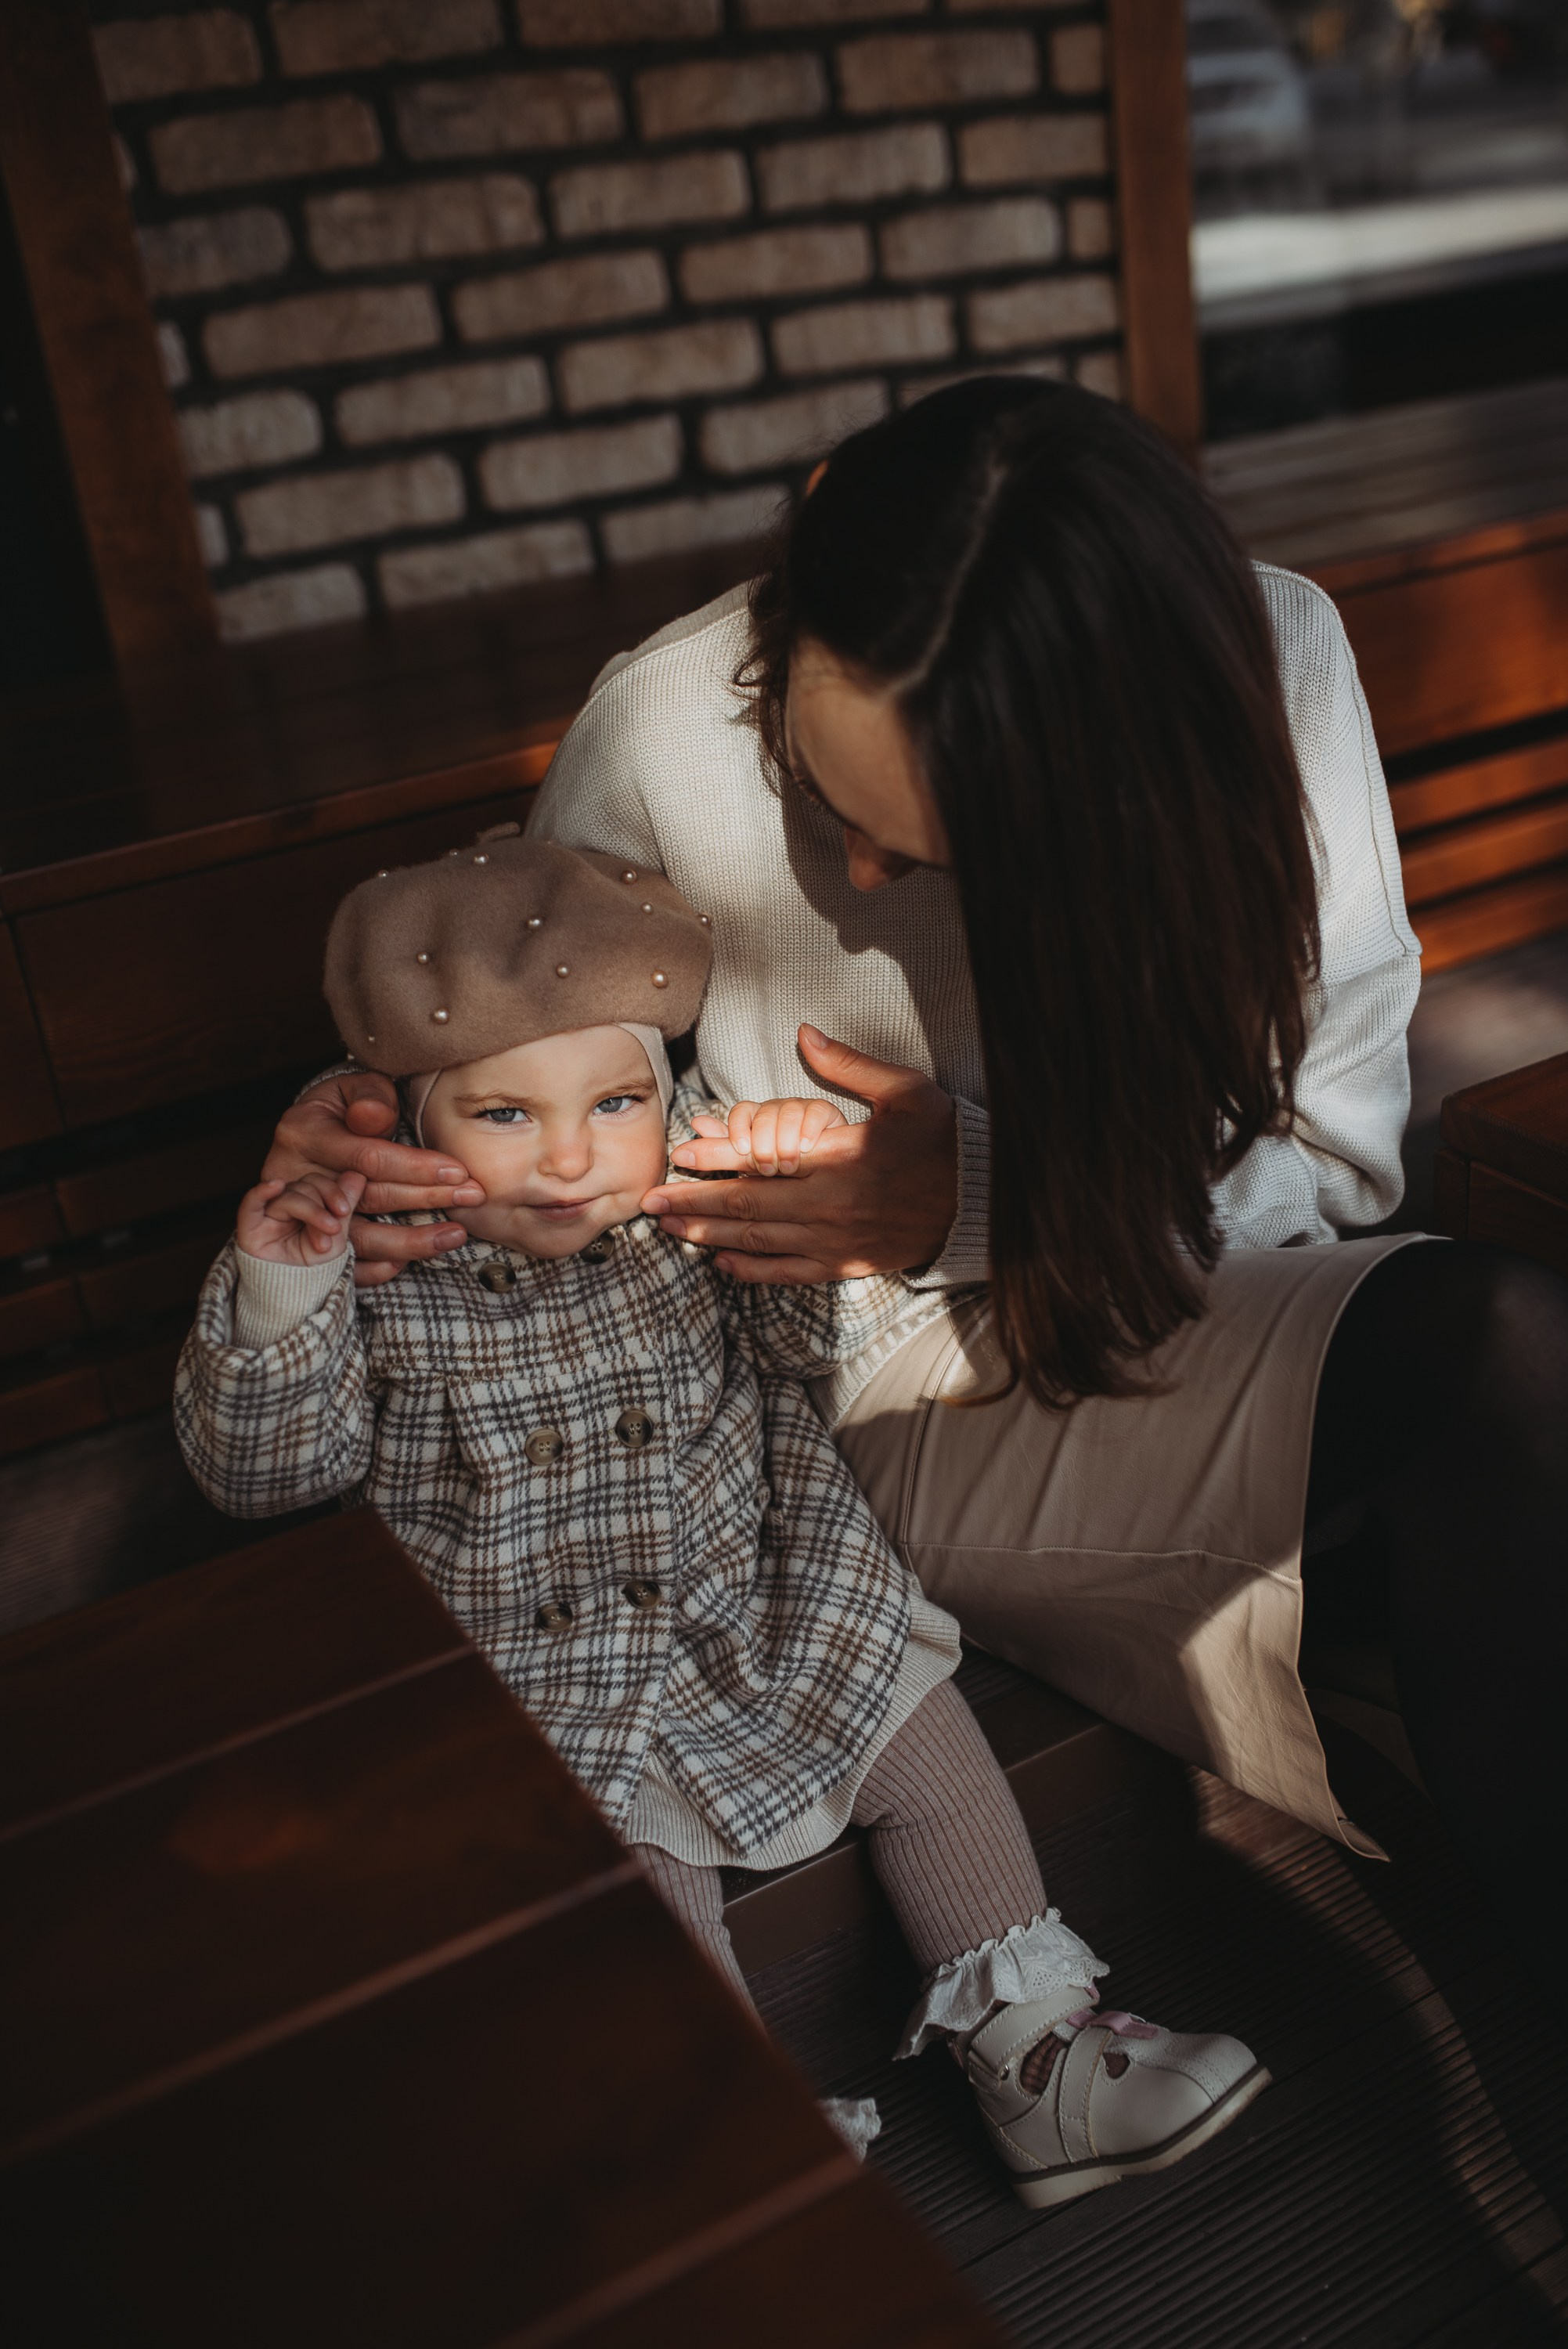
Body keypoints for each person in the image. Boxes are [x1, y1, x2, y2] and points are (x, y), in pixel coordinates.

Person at [263, 378, 1566, 1989]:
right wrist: (396, 1160)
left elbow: (1337, 1150)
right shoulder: (661, 732)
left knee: (1507, 1346)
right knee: (1505, 1439)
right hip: (863, 1390)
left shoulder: (1268, 658)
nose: (863, 882)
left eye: (949, 857)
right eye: (826, 799)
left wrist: (978, 1194)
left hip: (1194, 1291)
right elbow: (561, 1162)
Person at [176, 829, 1271, 2206]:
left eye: (615, 1104)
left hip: (750, 1588)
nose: (573, 1157)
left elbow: (813, 1350)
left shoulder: (684, 1208)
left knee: (910, 1719)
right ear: (411, 1122)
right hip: (538, 1659)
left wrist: (802, 1197)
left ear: (663, 1090)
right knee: (622, 1858)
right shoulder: (385, 1276)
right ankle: (739, 2133)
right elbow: (267, 1478)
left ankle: (1036, 2052)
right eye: (504, 1115)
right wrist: (284, 1288)